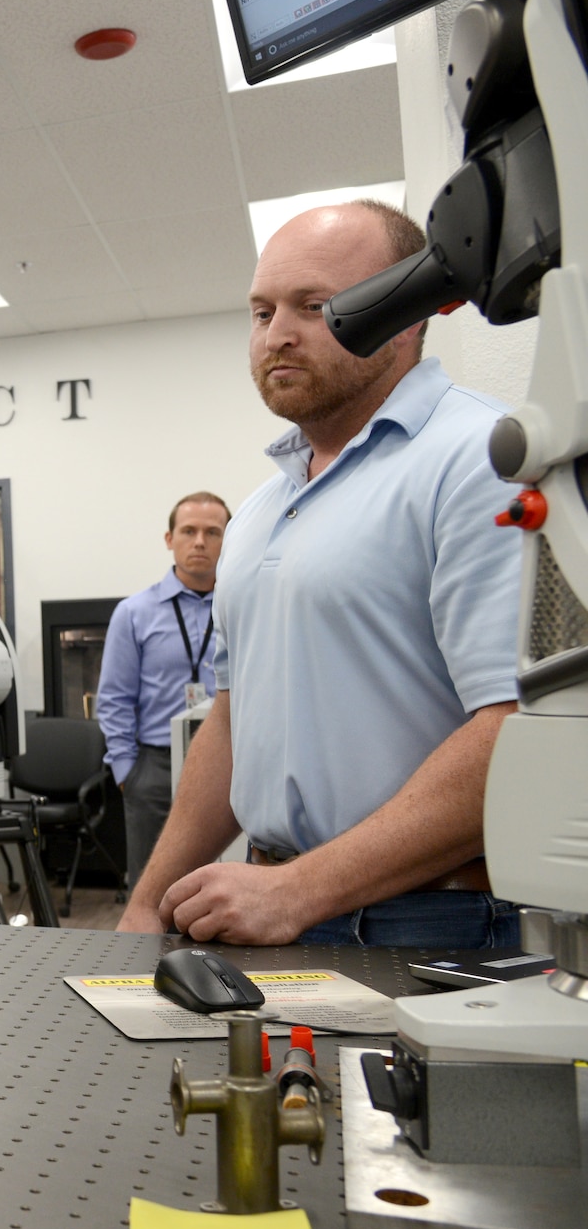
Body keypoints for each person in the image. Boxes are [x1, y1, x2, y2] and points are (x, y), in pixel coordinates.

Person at [117, 200, 520, 947]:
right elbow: (236, 720)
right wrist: (148, 900)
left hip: (429, 921)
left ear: (406, 309)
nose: (277, 334)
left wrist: (299, 889)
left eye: (313, 305)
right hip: (272, 907)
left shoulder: (483, 456)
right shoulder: (265, 508)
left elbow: (517, 725)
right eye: (262, 310)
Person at [96, 492, 230, 888]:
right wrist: (127, 772)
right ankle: (148, 954)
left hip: (231, 759)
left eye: (212, 531)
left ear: (229, 539)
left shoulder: (243, 604)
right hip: (154, 767)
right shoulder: (134, 613)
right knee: (151, 887)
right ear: (170, 539)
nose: (200, 541)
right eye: (188, 531)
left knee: (224, 882)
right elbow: (114, 698)